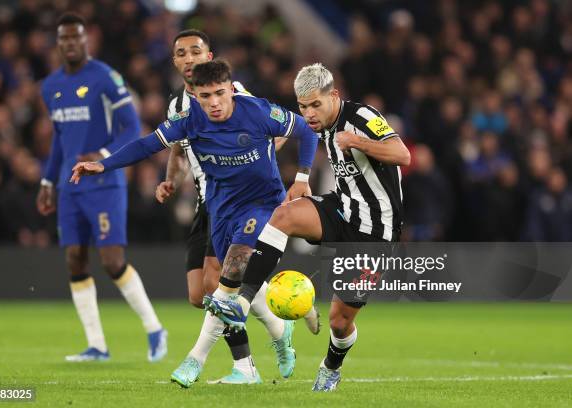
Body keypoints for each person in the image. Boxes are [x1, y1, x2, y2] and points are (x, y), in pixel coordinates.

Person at [70, 60, 319, 384]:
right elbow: (148, 144)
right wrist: (104, 165)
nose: (214, 102)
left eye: (219, 93)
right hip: (221, 209)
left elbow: (305, 129)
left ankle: (195, 360)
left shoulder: (257, 111)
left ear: (231, 89)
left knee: (230, 275)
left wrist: (302, 177)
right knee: (217, 288)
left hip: (260, 204)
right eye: (205, 96)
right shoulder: (188, 120)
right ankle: (279, 327)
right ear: (196, 97)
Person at [204, 63, 411, 391]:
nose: (310, 113)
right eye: (303, 106)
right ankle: (242, 300)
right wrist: (293, 174)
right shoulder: (318, 123)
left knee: (339, 322)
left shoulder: (361, 118)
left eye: (316, 104)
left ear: (334, 96)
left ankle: (331, 365)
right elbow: (287, 132)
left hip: (376, 232)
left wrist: (358, 143)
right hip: (342, 210)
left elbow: (402, 154)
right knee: (283, 215)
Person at [154, 30, 318, 388]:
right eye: (182, 53)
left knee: (220, 283)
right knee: (200, 296)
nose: (190, 57)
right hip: (206, 200)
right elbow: (178, 149)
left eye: (197, 50)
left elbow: (277, 124)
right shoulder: (177, 107)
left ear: (209, 55)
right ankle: (279, 323)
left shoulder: (232, 92)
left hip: (238, 197)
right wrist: (171, 180)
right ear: (176, 62)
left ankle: (242, 367)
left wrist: (253, 157)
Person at [36, 12, 166, 362]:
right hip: (69, 186)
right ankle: (97, 345)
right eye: (64, 38)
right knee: (75, 261)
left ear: (86, 39)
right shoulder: (50, 87)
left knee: (111, 261)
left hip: (104, 182)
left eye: (76, 37)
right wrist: (48, 181)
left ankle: (154, 328)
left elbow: (131, 126)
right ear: (58, 42)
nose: (70, 43)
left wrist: (104, 155)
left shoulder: (106, 78)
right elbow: (61, 142)